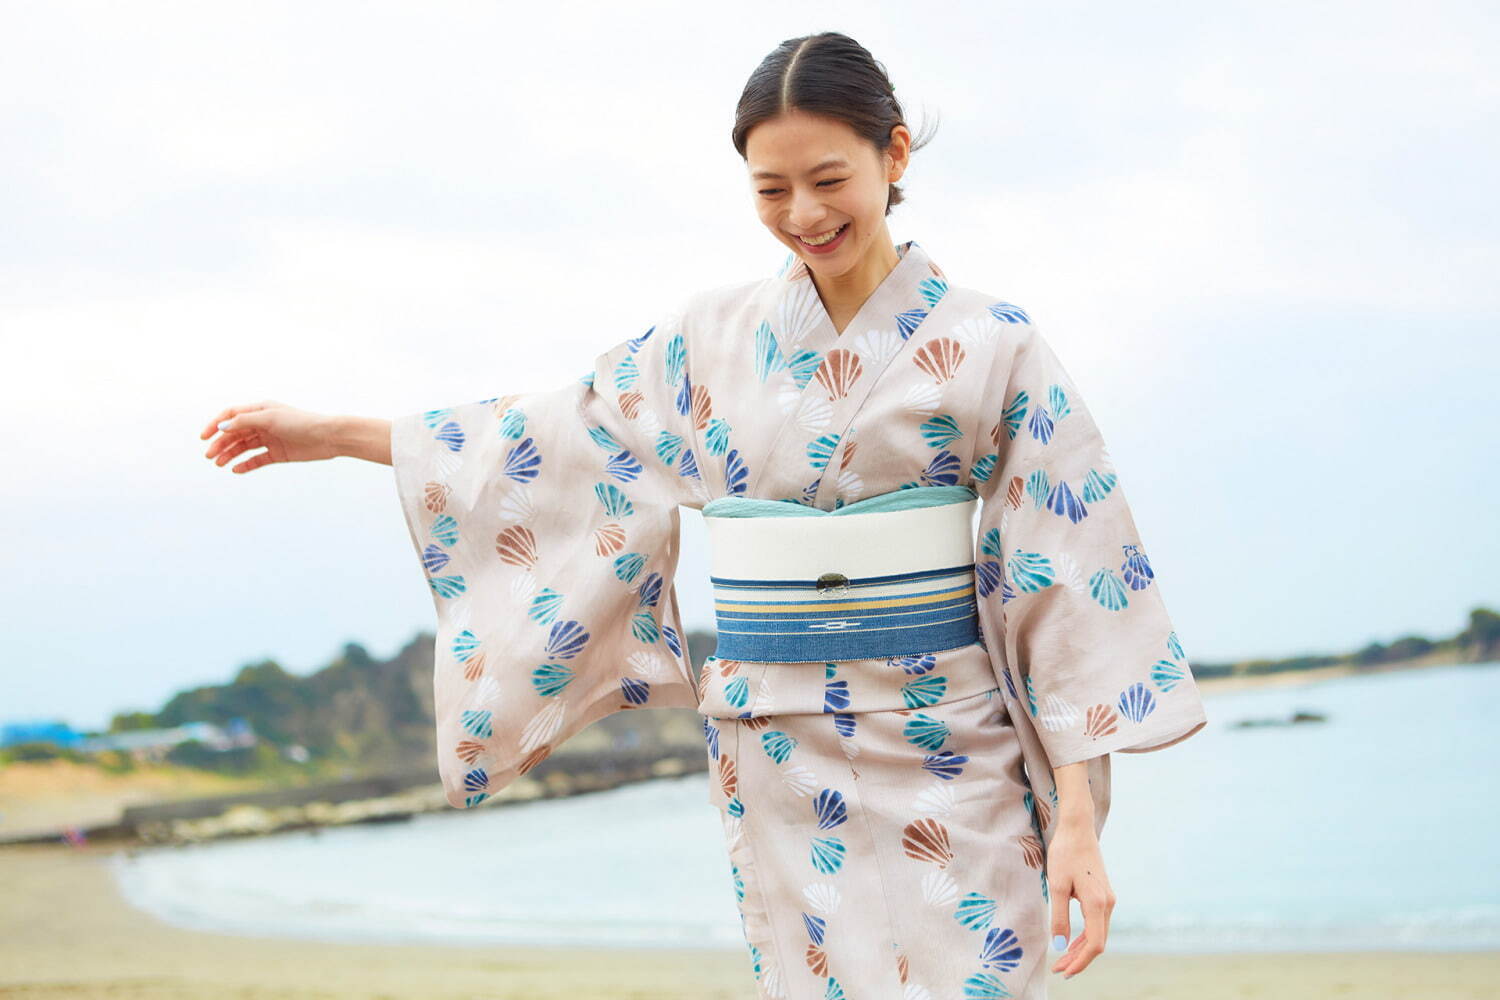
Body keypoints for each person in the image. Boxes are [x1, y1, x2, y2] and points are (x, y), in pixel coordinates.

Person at [200, 30, 1207, 1000]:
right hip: (780, 745)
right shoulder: (706, 341)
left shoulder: (993, 341)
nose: (803, 212)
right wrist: (335, 433)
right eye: (771, 190)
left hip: (953, 737)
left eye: (828, 180)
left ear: (893, 155)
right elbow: (554, 439)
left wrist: (1075, 817)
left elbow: (1063, 571)